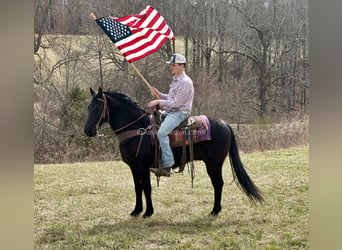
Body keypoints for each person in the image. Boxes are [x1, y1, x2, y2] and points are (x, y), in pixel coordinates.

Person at [147, 53, 194, 177]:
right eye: (171, 65)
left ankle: (168, 165)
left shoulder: (186, 82)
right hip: (172, 110)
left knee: (162, 133)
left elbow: (176, 103)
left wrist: (158, 102)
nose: (171, 67)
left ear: (182, 66)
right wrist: (159, 95)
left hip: (180, 112)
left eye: (174, 65)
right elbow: (171, 98)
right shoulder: (176, 80)